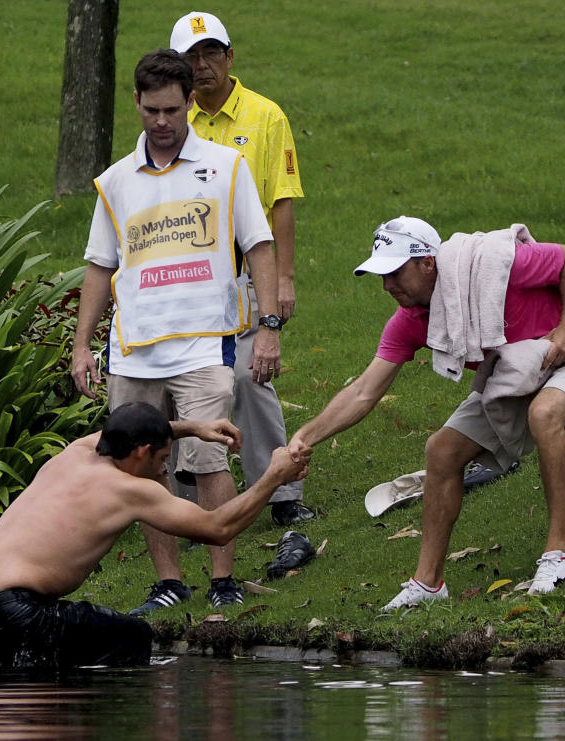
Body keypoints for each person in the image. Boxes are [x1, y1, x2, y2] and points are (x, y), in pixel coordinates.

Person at [287, 217, 565, 610]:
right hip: (516, 375)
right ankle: (428, 584)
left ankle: (561, 556)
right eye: (382, 276)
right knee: (441, 450)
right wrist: (305, 436)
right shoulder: (411, 320)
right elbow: (364, 391)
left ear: (427, 263)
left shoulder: (495, 264)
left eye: (395, 273)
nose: (387, 286)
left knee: (544, 413)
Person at [70, 50, 281, 613]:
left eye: (171, 109)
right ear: (136, 104)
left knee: (208, 460)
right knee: (141, 469)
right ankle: (168, 583)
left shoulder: (226, 167)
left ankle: (222, 579)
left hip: (206, 343)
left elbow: (260, 245)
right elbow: (98, 265)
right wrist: (81, 345)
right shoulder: (114, 182)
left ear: (191, 102)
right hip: (135, 349)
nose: (161, 122)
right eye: (150, 111)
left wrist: (269, 327)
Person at [0, 403, 310, 668]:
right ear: (143, 453)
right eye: (162, 460)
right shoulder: (128, 490)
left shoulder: (75, 453)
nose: (163, 470)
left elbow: (121, 433)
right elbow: (217, 528)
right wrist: (274, 476)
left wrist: (193, 428)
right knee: (131, 638)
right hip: (10, 611)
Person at [169, 12, 313, 529]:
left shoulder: (265, 116)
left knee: (254, 377)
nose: (202, 64)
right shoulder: (173, 118)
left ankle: (282, 492)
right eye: (191, 56)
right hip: (191, 277)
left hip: (251, 271)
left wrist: (285, 280)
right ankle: (189, 500)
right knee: (195, 380)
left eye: (211, 53)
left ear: (231, 57)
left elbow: (281, 203)